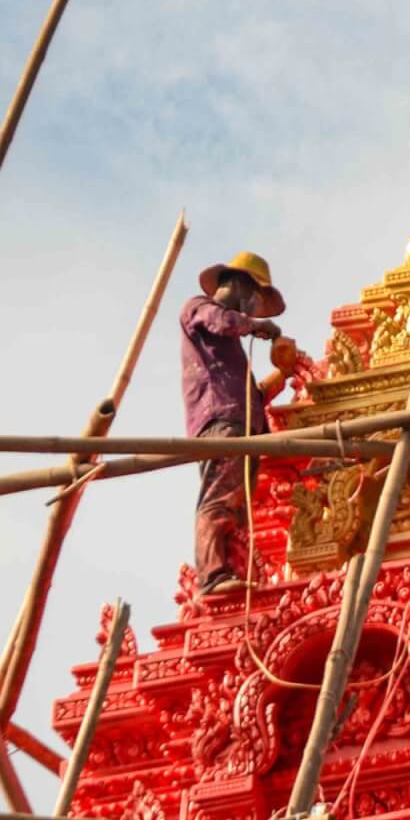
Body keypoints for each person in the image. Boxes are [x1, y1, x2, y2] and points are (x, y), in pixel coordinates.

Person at [180, 251, 286, 598]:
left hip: (239, 421)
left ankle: (229, 571)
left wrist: (279, 378)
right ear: (240, 285)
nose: (256, 307)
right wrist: (256, 326)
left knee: (238, 508)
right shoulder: (199, 309)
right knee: (219, 498)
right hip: (219, 420)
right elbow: (221, 321)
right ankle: (211, 576)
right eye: (256, 298)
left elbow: (244, 393)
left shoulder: (230, 350)